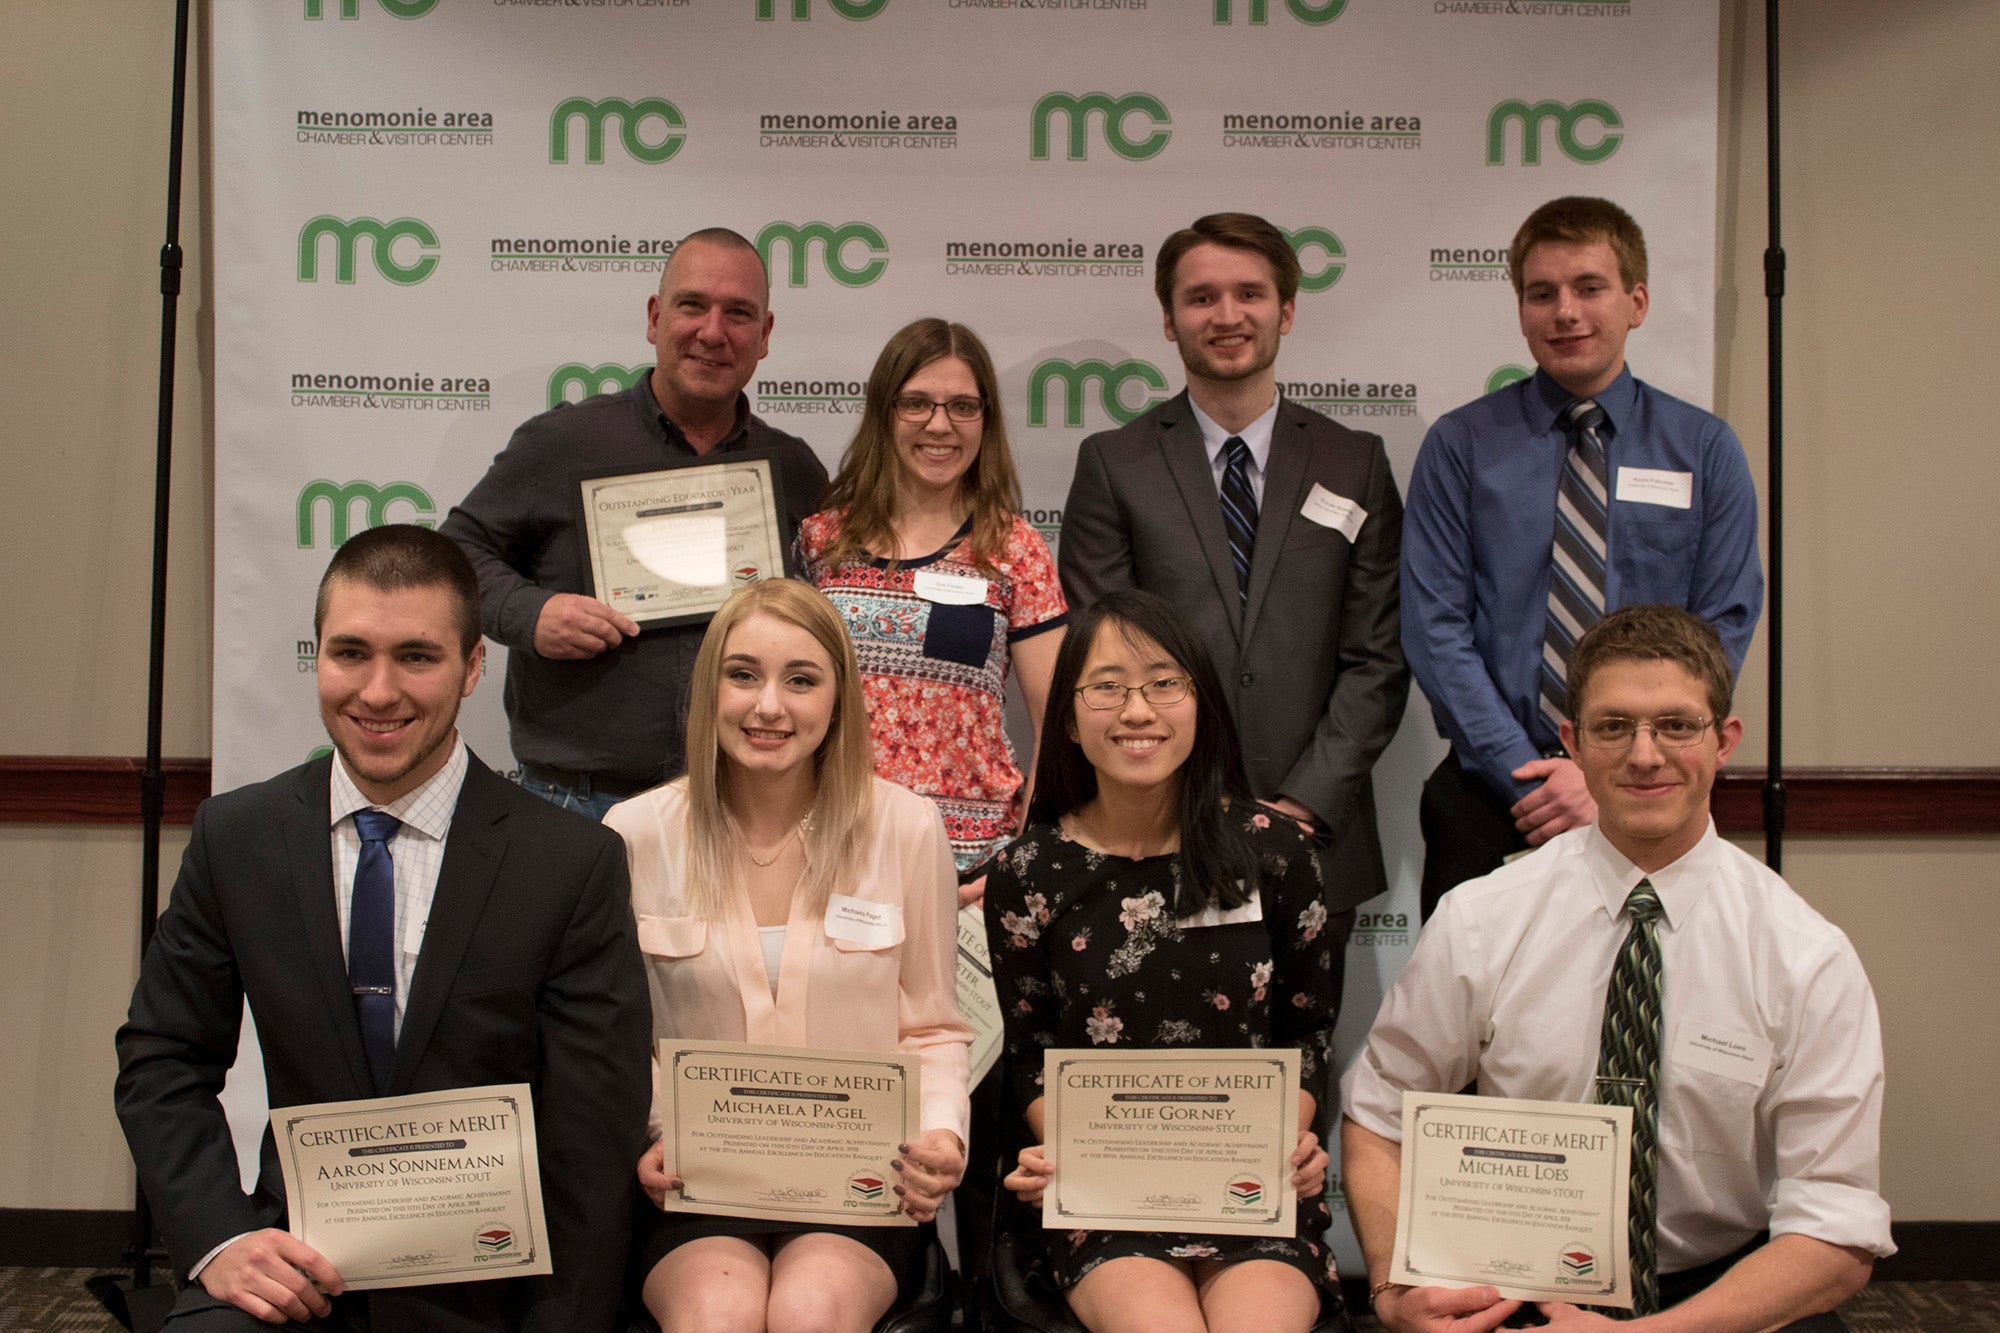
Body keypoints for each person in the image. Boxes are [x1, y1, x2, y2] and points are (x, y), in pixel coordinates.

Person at [114, 525, 652, 1331]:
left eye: (417, 656)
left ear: (473, 666)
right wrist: (220, 1238)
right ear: (318, 657)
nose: (377, 690)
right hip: (297, 1265)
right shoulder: (238, 836)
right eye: (350, 652)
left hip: (492, 1282)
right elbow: (162, 1057)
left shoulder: (570, 861)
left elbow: (592, 1131)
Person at [1342, 605, 1890, 1333]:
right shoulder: (1482, 918)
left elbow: (1839, 1228)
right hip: (1513, 1282)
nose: (1644, 753)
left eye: (1675, 724)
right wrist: (1390, 1286)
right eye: (1613, 726)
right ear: (1572, 741)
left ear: (1723, 740)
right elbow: (1378, 1114)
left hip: (1720, 1292)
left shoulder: (1804, 954)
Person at [603, 579, 972, 1333]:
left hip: (860, 1180)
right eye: (743, 675)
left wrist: (941, 1134)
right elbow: (614, 1038)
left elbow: (934, 1026)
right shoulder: (634, 832)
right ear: (710, 690)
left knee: (809, 1309)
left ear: (838, 700)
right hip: (695, 1175)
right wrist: (651, 1129)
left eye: (800, 680)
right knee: (719, 1310)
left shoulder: (906, 827)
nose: (769, 706)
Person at [1059, 211, 1407, 970]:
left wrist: (1302, 806)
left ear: (1285, 310)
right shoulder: (1115, 465)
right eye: (1201, 297)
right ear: (1168, 319)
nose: (1226, 316)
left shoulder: (1356, 463)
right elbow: (1103, 663)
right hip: (1158, 834)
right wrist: (1194, 808)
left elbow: (1377, 660)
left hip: (1319, 838)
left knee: (1300, 1076)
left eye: (1249, 293)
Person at [986, 589, 1340, 1333]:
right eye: (1107, 686)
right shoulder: (1030, 870)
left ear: (1201, 703)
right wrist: (1065, 1146)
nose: (1137, 710)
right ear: (1071, 720)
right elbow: (1030, 1051)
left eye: (1163, 682)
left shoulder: (1274, 851)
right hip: (1107, 1190)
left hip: (1250, 1183)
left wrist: (1291, 1141)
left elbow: (1307, 1034)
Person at [1402, 196, 1763, 919]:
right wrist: (1534, 778)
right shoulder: (1461, 445)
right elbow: (1434, 628)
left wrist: (1610, 768)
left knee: (1645, 1010)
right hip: (1494, 794)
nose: (1565, 311)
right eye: (1542, 293)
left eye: (1589, 288)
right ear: (1521, 309)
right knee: (1478, 1019)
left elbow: (1719, 627)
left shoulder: (1704, 449)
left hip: (1650, 792)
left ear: (1637, 301)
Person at [441, 226, 830, 819]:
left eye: (739, 313)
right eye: (692, 305)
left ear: (765, 335)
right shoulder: (562, 443)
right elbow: (454, 553)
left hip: (739, 807)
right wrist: (531, 613)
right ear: (654, 318)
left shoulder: (793, 469)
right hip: (577, 805)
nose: (712, 332)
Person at [798, 316, 1067, 881]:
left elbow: (1058, 723)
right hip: (831, 848)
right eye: (916, 403)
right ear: (884, 413)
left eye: (963, 406)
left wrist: (1021, 856)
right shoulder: (820, 542)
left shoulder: (1014, 549)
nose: (939, 425)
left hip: (969, 862)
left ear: (985, 419)